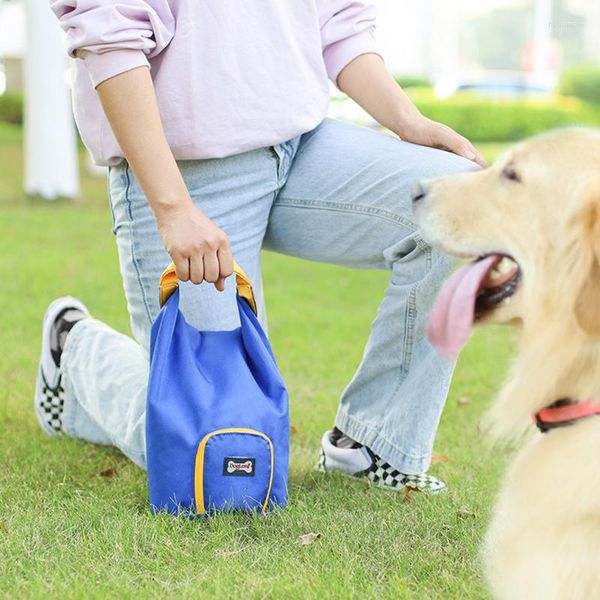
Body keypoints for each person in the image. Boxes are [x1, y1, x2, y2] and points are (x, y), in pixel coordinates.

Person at [39, 0, 484, 494]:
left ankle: (372, 445)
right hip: (186, 172)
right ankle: (75, 350)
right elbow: (111, 33)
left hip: (301, 144)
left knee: (464, 205)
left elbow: (338, 21)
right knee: (227, 470)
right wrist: (173, 209)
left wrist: (408, 121)